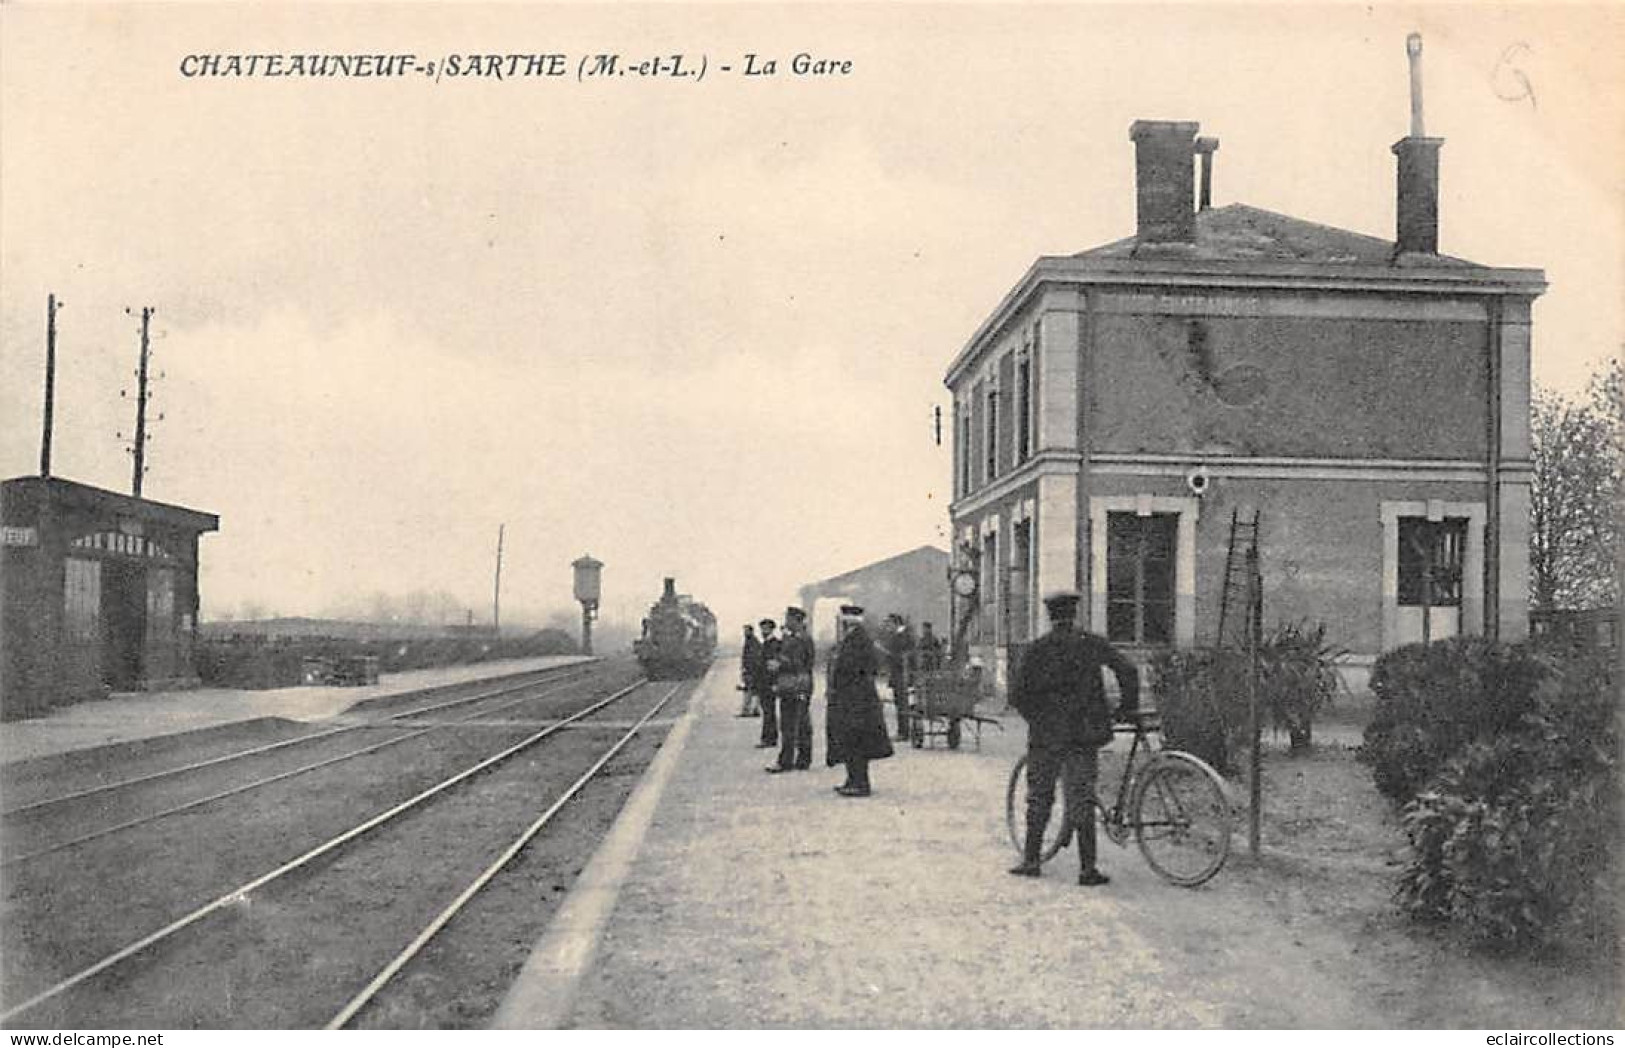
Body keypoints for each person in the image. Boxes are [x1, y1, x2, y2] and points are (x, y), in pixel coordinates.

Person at [1008, 590, 1139, 886]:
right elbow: (1128, 670)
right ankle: (1087, 869)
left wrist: (1038, 720)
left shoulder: (1036, 649)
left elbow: (1017, 695)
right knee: (1082, 797)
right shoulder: (1091, 644)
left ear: (1050, 615)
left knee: (1040, 796)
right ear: (1074, 613)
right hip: (1083, 734)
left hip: (1046, 736)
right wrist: (1124, 709)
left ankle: (1031, 860)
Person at [824, 605, 894, 796]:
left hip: (856, 700)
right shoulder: (854, 638)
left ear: (849, 621)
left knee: (856, 741)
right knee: (850, 740)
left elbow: (855, 668)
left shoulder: (857, 640)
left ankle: (860, 783)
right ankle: (852, 779)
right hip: (853, 698)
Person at [767, 606, 815, 772]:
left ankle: (786, 761)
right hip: (797, 684)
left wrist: (779, 664)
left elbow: (800, 664)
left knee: (790, 723)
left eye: (788, 618)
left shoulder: (801, 639)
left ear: (796, 620)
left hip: (795, 684)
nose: (786, 621)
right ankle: (803, 759)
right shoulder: (796, 638)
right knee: (800, 723)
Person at [883, 614, 916, 742]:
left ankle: (903, 732)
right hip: (899, 673)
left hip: (902, 674)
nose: (887, 627)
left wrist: (886, 653)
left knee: (902, 703)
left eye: (889, 623)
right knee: (900, 703)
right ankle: (902, 731)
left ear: (895, 623)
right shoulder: (902, 636)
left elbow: (903, 656)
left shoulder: (903, 637)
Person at [756, 619, 781, 749]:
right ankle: (769, 737)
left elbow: (773, 665)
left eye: (765, 629)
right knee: (767, 711)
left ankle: (769, 739)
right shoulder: (766, 643)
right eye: (762, 629)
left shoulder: (773, 644)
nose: (763, 632)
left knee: (769, 712)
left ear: (771, 629)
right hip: (764, 683)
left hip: (769, 683)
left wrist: (774, 682)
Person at [739, 624, 762, 717]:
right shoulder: (750, 641)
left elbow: (752, 657)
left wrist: (747, 669)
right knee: (752, 690)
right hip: (750, 670)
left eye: (746, 631)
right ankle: (753, 709)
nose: (745, 633)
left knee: (751, 690)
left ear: (751, 631)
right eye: (744, 631)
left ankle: (749, 710)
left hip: (752, 670)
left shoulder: (752, 642)